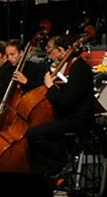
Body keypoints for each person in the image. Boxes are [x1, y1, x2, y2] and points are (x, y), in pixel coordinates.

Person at [26, 34, 94, 173]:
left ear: (66, 50)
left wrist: (50, 86)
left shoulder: (79, 68)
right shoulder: (71, 67)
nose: (56, 56)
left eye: (57, 51)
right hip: (67, 117)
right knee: (36, 130)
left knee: (34, 134)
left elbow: (66, 100)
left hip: (78, 120)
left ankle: (61, 163)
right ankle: (48, 172)